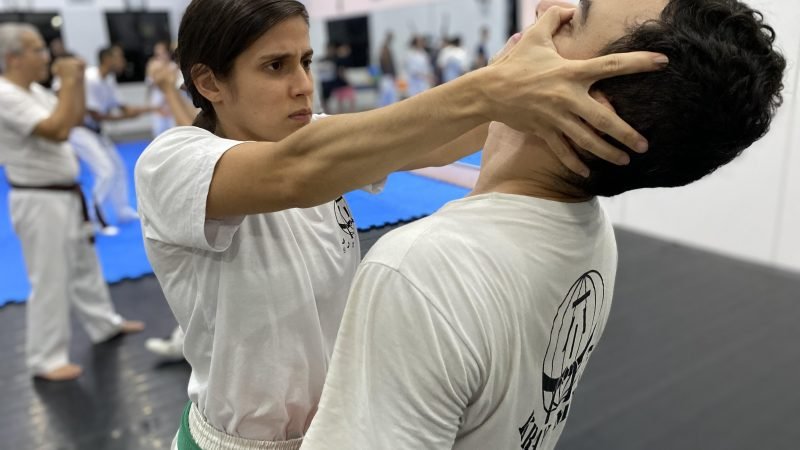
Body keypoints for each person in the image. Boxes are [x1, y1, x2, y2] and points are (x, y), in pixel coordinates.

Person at [134, 0, 668, 448]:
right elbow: (294, 174)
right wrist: (496, 87)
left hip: (337, 428)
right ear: (209, 82)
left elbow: (439, 135)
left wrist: (564, 72)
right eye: (275, 66)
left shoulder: (317, 141)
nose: (302, 84)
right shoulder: (172, 163)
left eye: (305, 61)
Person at [299, 0, 786, 449]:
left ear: (590, 111)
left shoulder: (424, 271)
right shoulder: (590, 233)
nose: (548, 10)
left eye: (577, 17)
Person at [0, 24, 145, 382]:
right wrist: (67, 81)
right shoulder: (5, 94)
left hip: (64, 193)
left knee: (85, 265)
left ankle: (104, 324)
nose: (46, 55)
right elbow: (57, 130)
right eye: (37, 49)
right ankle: (45, 358)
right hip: (38, 198)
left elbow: (75, 118)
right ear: (13, 58)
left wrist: (76, 81)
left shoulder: (33, 90)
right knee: (49, 277)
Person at [68, 44, 152, 229]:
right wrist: (125, 117)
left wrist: (150, 109)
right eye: (119, 57)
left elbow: (121, 106)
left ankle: (122, 210)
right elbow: (95, 114)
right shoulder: (91, 79)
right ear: (107, 59)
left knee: (118, 168)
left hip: (95, 131)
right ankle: (92, 217)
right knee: (105, 172)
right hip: (80, 131)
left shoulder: (108, 79)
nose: (123, 61)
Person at [146, 40, 177, 137]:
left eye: (162, 53)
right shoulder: (152, 66)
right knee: (159, 134)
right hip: (158, 106)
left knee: (174, 133)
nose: (160, 56)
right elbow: (151, 84)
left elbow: (172, 85)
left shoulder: (173, 66)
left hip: (171, 106)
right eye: (157, 54)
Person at [378, 31, 398, 106]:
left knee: (391, 99)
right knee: (386, 100)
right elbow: (387, 65)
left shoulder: (387, 51)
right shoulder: (385, 50)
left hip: (388, 77)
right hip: (386, 78)